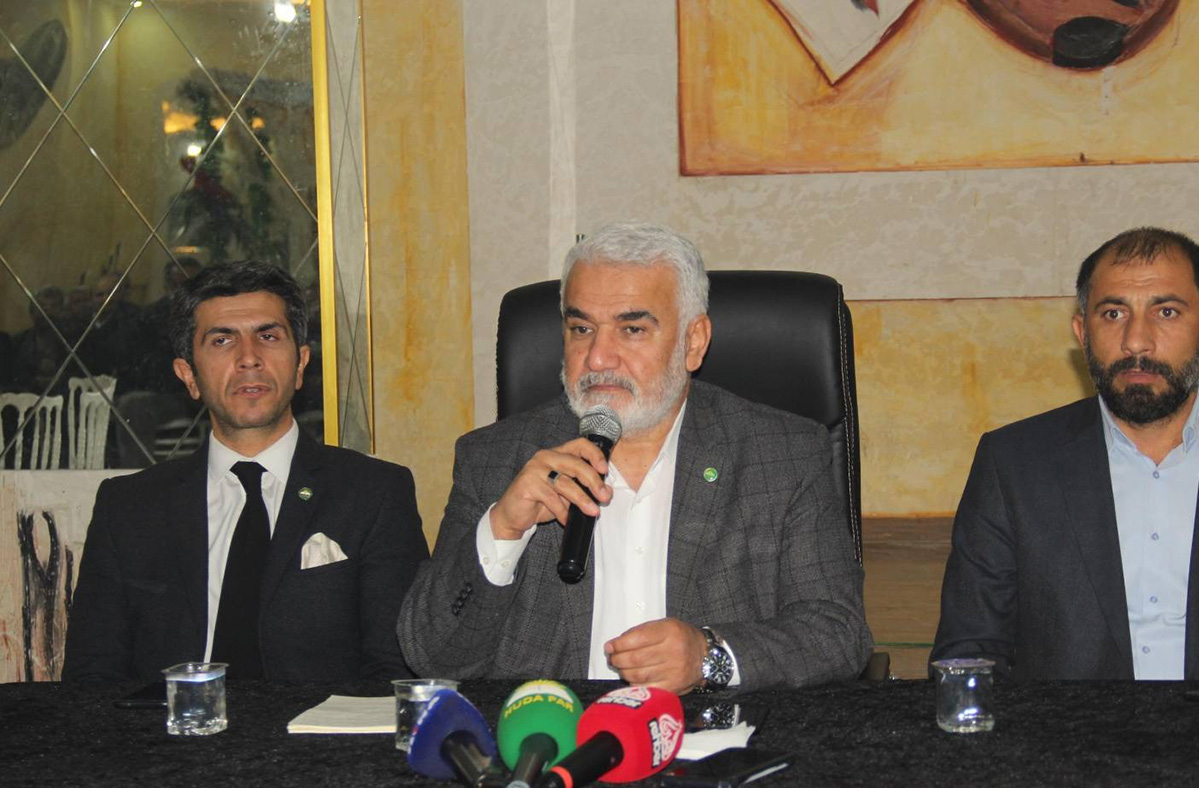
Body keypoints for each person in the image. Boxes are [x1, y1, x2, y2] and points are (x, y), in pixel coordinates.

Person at [398, 222, 871, 693]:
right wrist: (503, 529)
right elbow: (433, 656)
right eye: (582, 328)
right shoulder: (497, 459)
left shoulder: (782, 455)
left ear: (693, 342)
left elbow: (838, 634)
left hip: (710, 732)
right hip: (552, 731)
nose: (598, 358)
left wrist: (710, 657)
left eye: (632, 329)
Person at [932, 227, 1199, 681]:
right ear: (1082, 333)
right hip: (1067, 727)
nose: (1136, 341)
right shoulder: (1013, 465)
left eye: (1167, 311)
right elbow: (969, 654)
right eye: (1114, 313)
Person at [64, 261, 428, 682]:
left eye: (268, 336)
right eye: (222, 340)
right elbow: (91, 681)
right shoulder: (129, 508)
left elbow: (395, 670)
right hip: (173, 723)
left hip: (321, 724)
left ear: (300, 365)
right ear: (189, 375)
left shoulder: (375, 494)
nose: (249, 358)